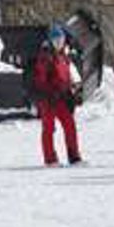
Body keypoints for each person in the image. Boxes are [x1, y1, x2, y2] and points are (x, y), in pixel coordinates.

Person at [30, 25, 83, 167]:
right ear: (50, 41)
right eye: (56, 40)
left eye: (61, 39)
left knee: (69, 125)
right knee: (48, 128)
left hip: (62, 98)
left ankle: (74, 157)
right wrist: (49, 93)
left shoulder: (63, 57)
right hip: (48, 100)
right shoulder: (45, 57)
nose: (59, 42)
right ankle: (50, 159)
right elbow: (40, 80)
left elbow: (67, 77)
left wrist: (74, 91)